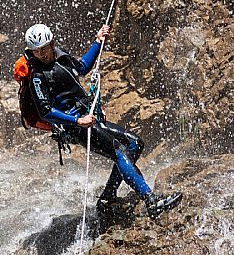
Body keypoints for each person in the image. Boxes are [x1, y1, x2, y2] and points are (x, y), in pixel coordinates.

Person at [21, 23, 182, 219]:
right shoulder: (38, 76)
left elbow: (82, 68)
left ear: (52, 43)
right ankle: (151, 201)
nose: (43, 54)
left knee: (135, 144)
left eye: (45, 48)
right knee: (120, 150)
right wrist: (77, 120)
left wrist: (98, 41)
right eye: (37, 51)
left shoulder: (60, 56)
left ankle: (107, 197)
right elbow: (45, 111)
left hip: (87, 117)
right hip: (75, 126)